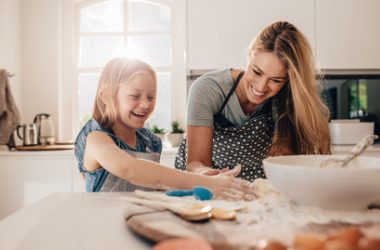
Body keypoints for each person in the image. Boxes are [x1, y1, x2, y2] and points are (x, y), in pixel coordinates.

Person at [74, 58, 255, 200]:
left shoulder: (149, 142)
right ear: (106, 97)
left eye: (151, 97)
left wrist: (200, 176)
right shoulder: (96, 138)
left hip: (138, 223)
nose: (145, 104)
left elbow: (155, 183)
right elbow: (130, 169)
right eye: (134, 96)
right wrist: (204, 182)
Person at [175, 21, 331, 182]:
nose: (261, 87)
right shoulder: (208, 89)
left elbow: (282, 162)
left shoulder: (287, 100)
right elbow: (196, 163)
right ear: (250, 55)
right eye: (257, 72)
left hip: (259, 185)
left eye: (276, 80)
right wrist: (207, 174)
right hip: (207, 183)